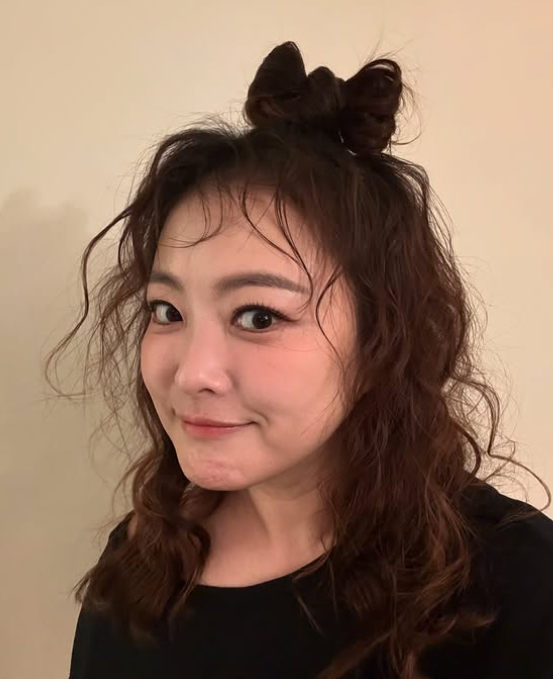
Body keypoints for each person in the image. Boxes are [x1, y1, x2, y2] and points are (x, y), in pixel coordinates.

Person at [45, 41, 553, 679]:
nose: (192, 373)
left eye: (259, 316)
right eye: (167, 311)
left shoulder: (516, 589)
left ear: (381, 341)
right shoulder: (144, 560)